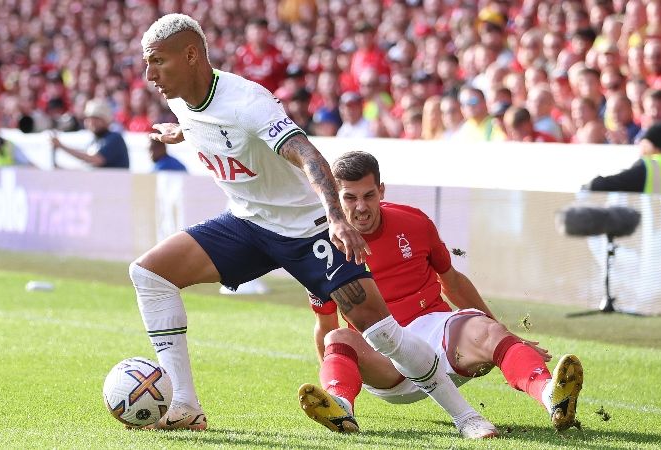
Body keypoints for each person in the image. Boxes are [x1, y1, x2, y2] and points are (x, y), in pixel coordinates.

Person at [135, 13, 497, 438]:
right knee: (148, 272)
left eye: (157, 61)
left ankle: (468, 417)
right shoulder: (181, 99)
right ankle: (185, 404)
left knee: (381, 332)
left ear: (191, 55)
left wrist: (336, 217)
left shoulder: (248, 102)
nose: (149, 74)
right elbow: (211, 126)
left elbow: (308, 155)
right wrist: (183, 133)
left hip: (307, 231)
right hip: (249, 224)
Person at [298, 151, 584, 435]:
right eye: (350, 197)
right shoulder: (323, 249)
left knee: (487, 329)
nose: (361, 207)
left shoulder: (414, 222)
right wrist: (336, 373)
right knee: (337, 337)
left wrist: (507, 334)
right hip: (383, 361)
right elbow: (325, 326)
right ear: (335, 196)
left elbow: (453, 283)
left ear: (381, 190)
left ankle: (552, 397)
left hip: (438, 339)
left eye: (369, 195)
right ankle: (340, 407)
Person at [587, 121, 661, 195]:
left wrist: (590, 185)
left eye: (643, 143)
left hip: (658, 228)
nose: (640, 149)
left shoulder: (650, 166)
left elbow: (604, 185)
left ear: (654, 145)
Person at [51, 99, 130, 169]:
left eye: (95, 119)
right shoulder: (95, 141)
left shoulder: (114, 138)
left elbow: (95, 159)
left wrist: (61, 146)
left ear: (106, 120)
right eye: (88, 119)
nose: (91, 123)